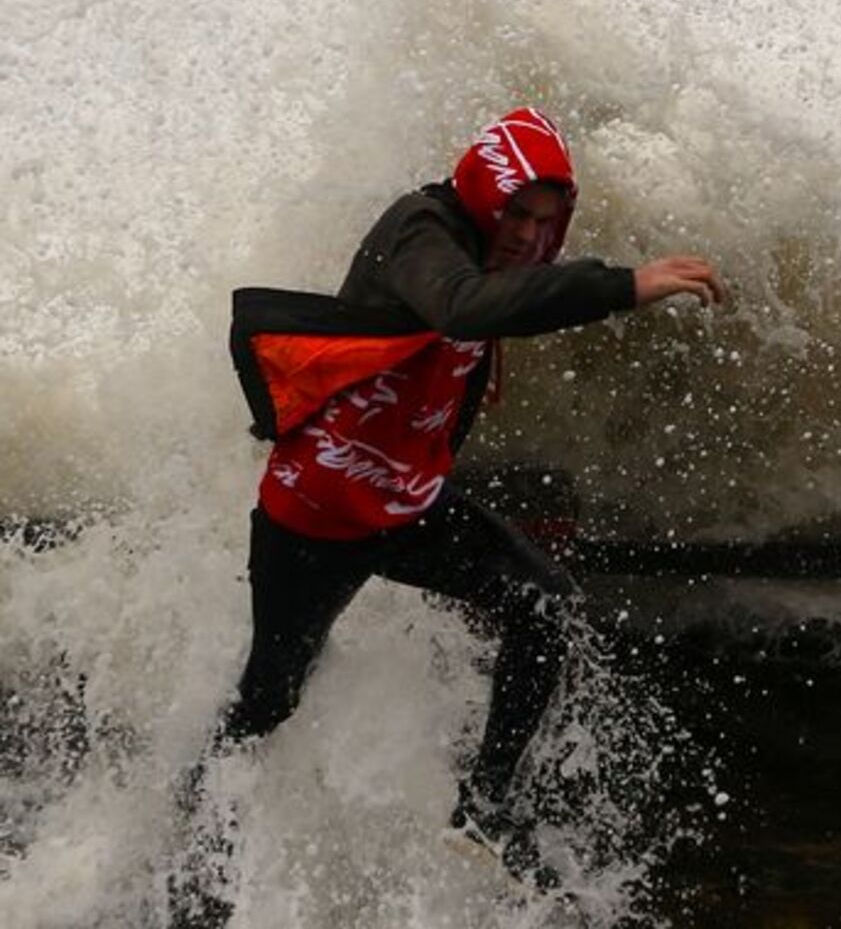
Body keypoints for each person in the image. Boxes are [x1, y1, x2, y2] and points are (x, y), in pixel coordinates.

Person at [173, 107, 724, 916]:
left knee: (548, 609)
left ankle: (487, 806)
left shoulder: (498, 260)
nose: (529, 239)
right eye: (516, 215)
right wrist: (623, 285)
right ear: (480, 194)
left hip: (407, 507)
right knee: (271, 697)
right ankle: (195, 846)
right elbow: (460, 308)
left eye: (546, 223)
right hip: (314, 514)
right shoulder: (422, 231)